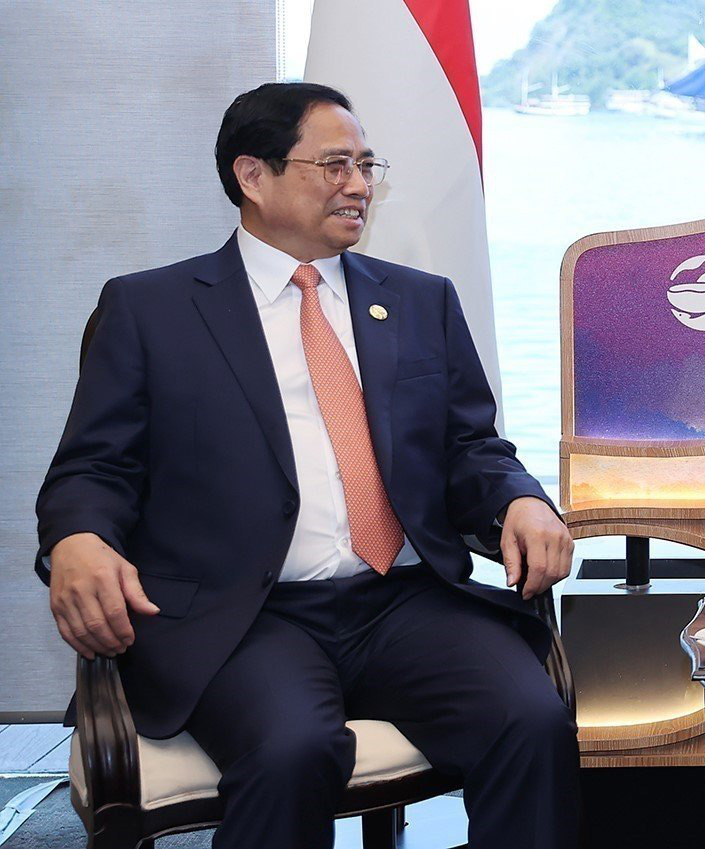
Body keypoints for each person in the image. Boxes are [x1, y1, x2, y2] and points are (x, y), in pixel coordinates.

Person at [36, 83, 580, 848]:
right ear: (252, 175)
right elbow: (92, 468)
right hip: (245, 615)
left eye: (365, 164)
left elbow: (472, 449)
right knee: (294, 749)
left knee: (531, 720)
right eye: (334, 165)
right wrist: (78, 538)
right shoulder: (152, 309)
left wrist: (520, 501)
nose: (358, 185)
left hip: (401, 601)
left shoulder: (420, 301)